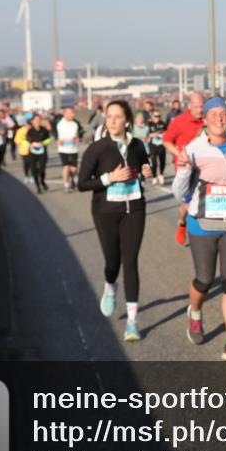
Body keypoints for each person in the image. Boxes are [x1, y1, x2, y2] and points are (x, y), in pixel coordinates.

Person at [172, 96, 226, 361]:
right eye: (213, 114)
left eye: (223, 113)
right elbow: (179, 193)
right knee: (205, 280)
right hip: (202, 224)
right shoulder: (194, 149)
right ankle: (195, 312)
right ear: (205, 120)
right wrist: (184, 171)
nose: (219, 117)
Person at [78, 100, 152, 342]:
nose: (111, 121)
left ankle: (132, 322)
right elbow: (82, 183)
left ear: (127, 120)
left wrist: (146, 171)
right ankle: (110, 286)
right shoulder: (97, 148)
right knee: (113, 261)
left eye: (117, 116)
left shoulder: (137, 145)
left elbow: (144, 165)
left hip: (135, 209)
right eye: (109, 116)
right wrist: (109, 178)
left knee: (130, 262)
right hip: (105, 211)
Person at [162, 92, 206, 245]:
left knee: (203, 200)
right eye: (197, 107)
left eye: (202, 106)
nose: (200, 110)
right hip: (184, 169)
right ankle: (182, 223)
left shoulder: (208, 119)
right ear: (189, 106)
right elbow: (166, 141)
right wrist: (179, 154)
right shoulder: (179, 121)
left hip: (204, 167)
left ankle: (202, 234)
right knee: (187, 204)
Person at [56, 106, 85, 192]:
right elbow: (58, 136)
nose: (73, 114)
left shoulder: (75, 124)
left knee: (74, 169)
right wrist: (59, 140)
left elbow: (77, 135)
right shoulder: (60, 124)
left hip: (73, 149)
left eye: (73, 112)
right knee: (66, 167)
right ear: (65, 114)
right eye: (71, 113)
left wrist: (77, 139)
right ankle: (66, 184)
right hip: (63, 149)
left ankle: (72, 178)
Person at [24, 113, 53, 194]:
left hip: (42, 152)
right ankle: (38, 187)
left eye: (39, 120)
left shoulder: (44, 130)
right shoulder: (29, 131)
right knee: (34, 170)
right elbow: (25, 141)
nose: (37, 121)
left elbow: (50, 139)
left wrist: (43, 143)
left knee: (42, 170)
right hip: (32, 153)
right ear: (32, 121)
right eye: (35, 120)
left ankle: (42, 181)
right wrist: (29, 144)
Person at [146, 109, 167, 185]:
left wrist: (163, 134)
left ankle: (161, 174)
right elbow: (146, 134)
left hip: (161, 145)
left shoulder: (163, 124)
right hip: (152, 146)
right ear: (152, 117)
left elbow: (168, 132)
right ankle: (154, 176)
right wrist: (154, 134)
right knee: (154, 163)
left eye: (159, 116)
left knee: (162, 161)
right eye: (155, 116)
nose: (157, 117)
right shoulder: (149, 124)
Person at [14, 112, 33, 184]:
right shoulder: (20, 130)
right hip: (24, 151)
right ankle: (26, 176)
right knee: (26, 164)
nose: (29, 125)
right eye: (28, 123)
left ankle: (32, 176)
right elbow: (16, 140)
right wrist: (25, 143)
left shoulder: (33, 129)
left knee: (32, 164)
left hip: (33, 150)